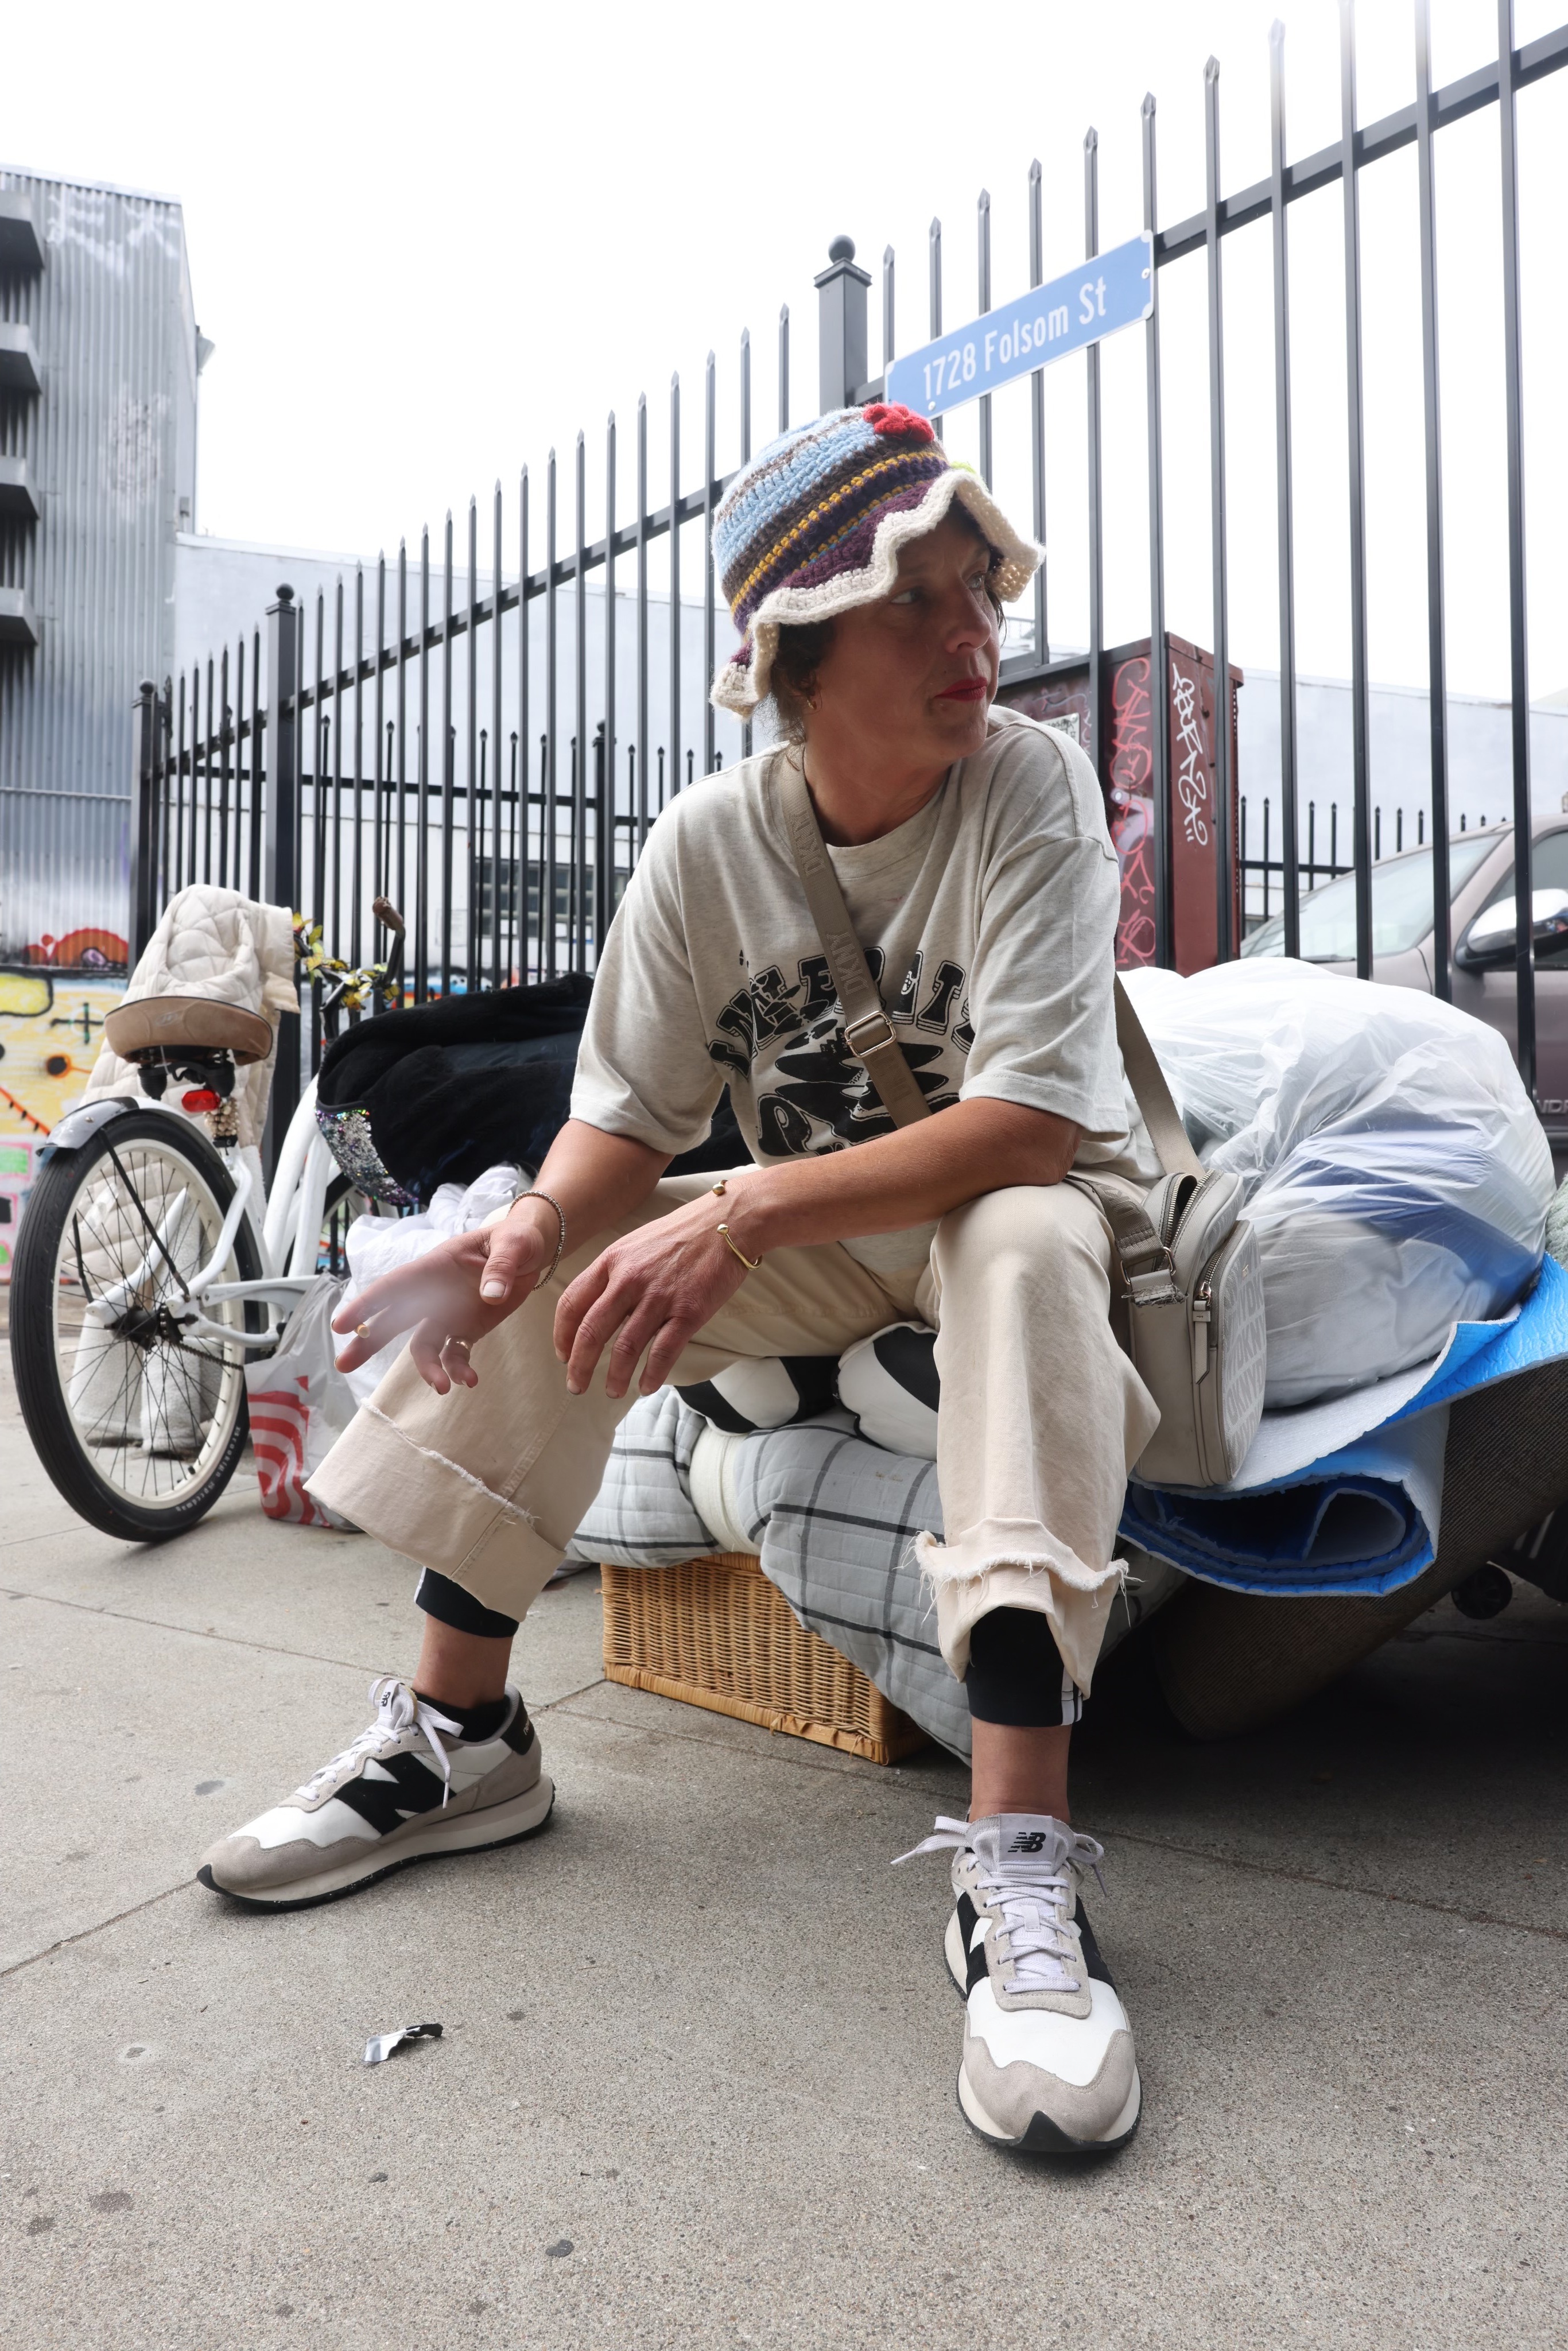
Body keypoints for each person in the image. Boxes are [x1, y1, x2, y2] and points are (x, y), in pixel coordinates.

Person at [198, 402, 1159, 2156]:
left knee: (1016, 1243)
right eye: (916, 605)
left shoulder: (1029, 788)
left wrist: (730, 1216)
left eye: (978, 593)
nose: (976, 638)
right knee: (563, 1262)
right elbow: (626, 1122)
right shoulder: (708, 844)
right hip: (814, 1223)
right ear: (794, 658)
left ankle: (1016, 1862)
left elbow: (1027, 1125)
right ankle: (462, 1737)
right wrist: (524, 1234)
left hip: (998, 1203)